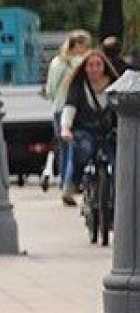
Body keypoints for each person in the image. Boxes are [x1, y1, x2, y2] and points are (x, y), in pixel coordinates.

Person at [61, 48, 127, 213]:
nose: (94, 69)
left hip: (109, 132)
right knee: (82, 150)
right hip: (86, 130)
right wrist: (66, 128)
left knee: (118, 162)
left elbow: (123, 109)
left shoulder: (115, 85)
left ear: (105, 66)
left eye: (98, 64)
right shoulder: (78, 87)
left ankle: (118, 199)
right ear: (84, 68)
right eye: (90, 65)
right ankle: (73, 184)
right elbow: (70, 108)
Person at [45, 30, 92, 203]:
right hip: (75, 108)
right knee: (74, 147)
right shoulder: (81, 62)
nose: (87, 49)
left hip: (58, 107)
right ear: (77, 45)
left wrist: (55, 98)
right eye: (85, 45)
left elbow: (50, 88)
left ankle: (64, 180)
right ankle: (70, 182)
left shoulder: (57, 62)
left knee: (63, 147)